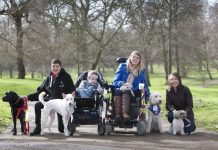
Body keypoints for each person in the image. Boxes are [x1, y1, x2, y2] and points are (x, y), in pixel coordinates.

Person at [27, 59, 75, 136]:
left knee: (61, 129)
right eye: (53, 66)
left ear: (60, 67)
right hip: (51, 100)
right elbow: (40, 91)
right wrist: (28, 97)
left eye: (57, 66)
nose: (55, 68)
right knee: (38, 105)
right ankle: (38, 127)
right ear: (51, 67)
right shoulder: (49, 78)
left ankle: (70, 126)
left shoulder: (66, 77)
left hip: (62, 104)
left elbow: (72, 91)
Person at [112, 50, 150, 120]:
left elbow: (144, 84)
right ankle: (117, 115)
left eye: (137, 58)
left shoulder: (142, 70)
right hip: (120, 89)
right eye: (134, 57)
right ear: (130, 57)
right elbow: (115, 81)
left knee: (126, 91)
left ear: (140, 60)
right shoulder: (122, 66)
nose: (135, 59)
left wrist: (147, 95)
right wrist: (123, 83)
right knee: (117, 91)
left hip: (133, 93)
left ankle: (125, 114)